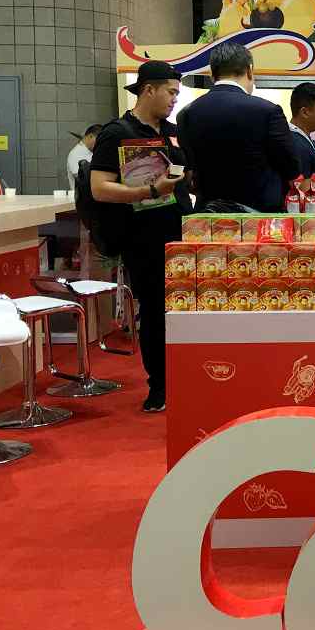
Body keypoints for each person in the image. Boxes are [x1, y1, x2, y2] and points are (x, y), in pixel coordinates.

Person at [88, 61, 188, 413]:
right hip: (142, 237)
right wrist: (149, 191)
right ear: (149, 90)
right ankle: (159, 386)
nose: (175, 99)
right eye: (171, 92)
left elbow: (182, 174)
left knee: (181, 311)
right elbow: (99, 188)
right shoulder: (117, 132)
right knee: (156, 309)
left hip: (180, 232)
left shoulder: (173, 131)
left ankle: (185, 381)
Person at [176, 43, 300, 212]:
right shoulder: (268, 111)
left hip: (208, 216)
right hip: (258, 217)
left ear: (212, 74)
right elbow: (291, 167)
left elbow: (188, 171)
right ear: (249, 70)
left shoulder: (186, 113)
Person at [66, 125, 102, 190]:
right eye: (99, 140)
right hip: (83, 195)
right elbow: (83, 179)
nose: (100, 144)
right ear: (90, 136)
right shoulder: (76, 154)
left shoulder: (93, 152)